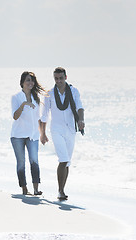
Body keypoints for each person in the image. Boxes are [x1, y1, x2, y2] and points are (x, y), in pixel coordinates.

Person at [39, 67, 85, 200]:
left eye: (60, 78)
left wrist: (81, 120)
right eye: (56, 78)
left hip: (70, 129)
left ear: (66, 77)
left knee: (67, 162)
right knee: (63, 159)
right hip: (57, 130)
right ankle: (60, 191)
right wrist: (42, 133)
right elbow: (44, 115)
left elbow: (79, 107)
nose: (58, 81)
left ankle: (62, 189)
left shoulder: (74, 91)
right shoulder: (50, 94)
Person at [10, 71, 46, 195]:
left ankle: (36, 189)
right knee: (21, 163)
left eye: (32, 80)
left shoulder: (36, 98)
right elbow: (15, 116)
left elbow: (38, 118)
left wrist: (43, 134)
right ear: (22, 83)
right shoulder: (16, 97)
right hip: (17, 136)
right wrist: (24, 104)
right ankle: (24, 189)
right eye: (27, 80)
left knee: (34, 161)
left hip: (33, 136)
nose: (30, 83)